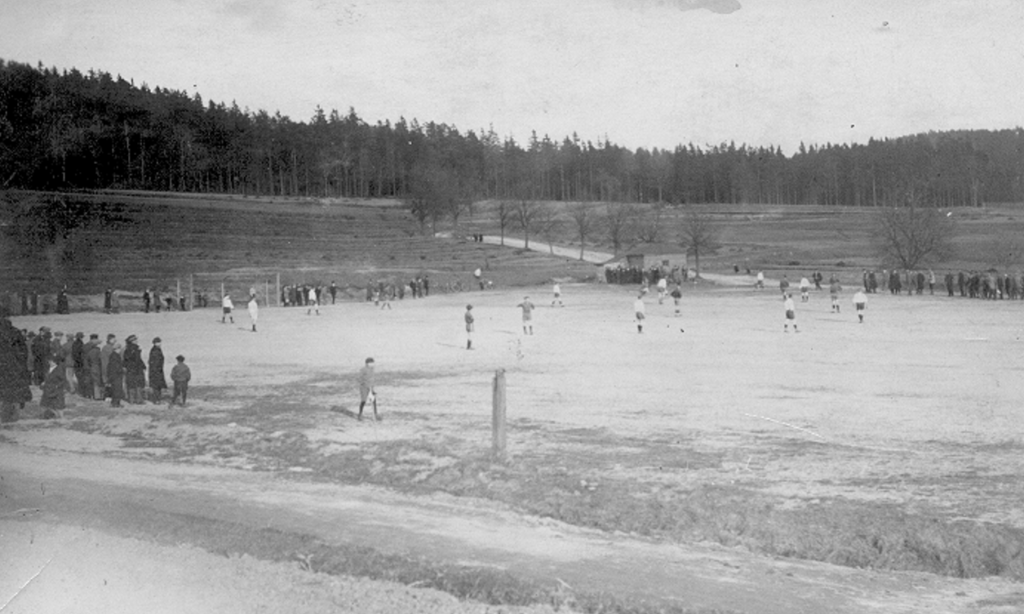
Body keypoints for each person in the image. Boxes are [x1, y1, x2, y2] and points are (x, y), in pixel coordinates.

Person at [124, 335, 147, 404]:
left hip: (130, 370)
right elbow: (138, 360)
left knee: (131, 385)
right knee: (138, 384)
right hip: (136, 369)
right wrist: (143, 366)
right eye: (135, 340)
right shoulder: (135, 350)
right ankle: (139, 400)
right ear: (132, 341)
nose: (137, 341)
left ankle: (131, 400)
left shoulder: (127, 350)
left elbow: (125, 361)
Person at [357, 357, 378, 421]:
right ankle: (360, 414)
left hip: (371, 387)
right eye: (371, 363)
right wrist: (365, 384)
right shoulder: (363, 369)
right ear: (367, 363)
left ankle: (375, 414)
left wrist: (372, 388)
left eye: (373, 363)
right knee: (363, 401)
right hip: (364, 387)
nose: (372, 364)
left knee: (374, 401)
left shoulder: (372, 370)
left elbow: (372, 379)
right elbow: (360, 378)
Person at [107, 342, 125, 407]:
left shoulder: (113, 355)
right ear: (117, 349)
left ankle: (116, 402)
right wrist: (122, 370)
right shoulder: (115, 356)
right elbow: (116, 366)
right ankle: (116, 403)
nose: (120, 350)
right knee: (117, 389)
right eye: (119, 349)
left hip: (114, 375)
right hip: (116, 375)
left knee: (116, 389)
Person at [149, 338, 167, 403]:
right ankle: (156, 400)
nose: (160, 344)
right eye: (159, 342)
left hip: (157, 370)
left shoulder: (157, 349)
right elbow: (155, 362)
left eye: (160, 342)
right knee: (156, 386)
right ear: (155, 343)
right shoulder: (155, 350)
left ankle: (158, 399)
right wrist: (156, 370)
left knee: (158, 385)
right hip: (156, 371)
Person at [86, 334, 103, 400]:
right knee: (97, 382)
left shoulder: (90, 352)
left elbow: (87, 360)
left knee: (93, 381)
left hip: (92, 367)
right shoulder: (98, 352)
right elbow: (101, 360)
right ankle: (97, 396)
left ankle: (92, 395)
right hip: (98, 367)